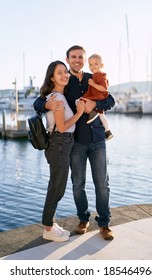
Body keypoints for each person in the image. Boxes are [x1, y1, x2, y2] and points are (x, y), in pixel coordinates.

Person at [34, 45, 115, 241]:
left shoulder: (92, 77)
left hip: (97, 140)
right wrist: (46, 104)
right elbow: (38, 102)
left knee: (102, 184)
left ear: (85, 60)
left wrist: (95, 104)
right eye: (73, 57)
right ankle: (83, 219)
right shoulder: (63, 81)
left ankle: (104, 224)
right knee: (78, 184)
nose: (77, 60)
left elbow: (110, 100)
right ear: (68, 59)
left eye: (81, 57)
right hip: (75, 142)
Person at [40, 60, 85, 242]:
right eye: (60, 73)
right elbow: (62, 126)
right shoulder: (57, 98)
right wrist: (80, 112)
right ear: (52, 77)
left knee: (57, 185)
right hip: (60, 143)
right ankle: (48, 228)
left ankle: (50, 223)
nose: (65, 75)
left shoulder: (59, 95)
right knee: (57, 187)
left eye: (65, 72)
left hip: (61, 144)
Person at [78, 53, 113, 140]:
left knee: (81, 101)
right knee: (101, 115)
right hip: (94, 96)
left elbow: (104, 88)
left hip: (98, 96)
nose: (93, 66)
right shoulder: (92, 76)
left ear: (102, 65)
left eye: (96, 64)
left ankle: (93, 112)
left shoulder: (102, 75)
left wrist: (93, 84)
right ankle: (108, 131)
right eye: (90, 64)